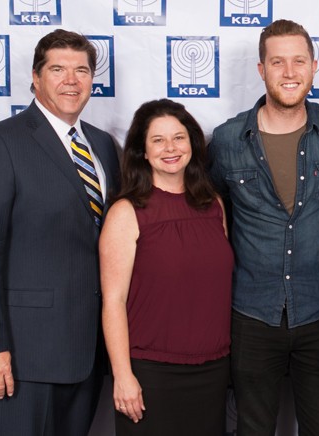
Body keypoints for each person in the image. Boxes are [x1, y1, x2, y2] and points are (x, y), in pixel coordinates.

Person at [207, 19, 319, 435]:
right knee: (253, 428)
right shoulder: (226, 140)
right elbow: (207, 214)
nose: (289, 72)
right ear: (261, 69)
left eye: (298, 61)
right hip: (252, 313)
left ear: (314, 66)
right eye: (278, 62)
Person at [0, 29, 120, 435]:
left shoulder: (103, 147)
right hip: (23, 353)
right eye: (58, 69)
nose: (72, 79)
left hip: (88, 347)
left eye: (82, 70)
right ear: (35, 78)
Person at [99, 99, 233, 435]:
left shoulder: (213, 205)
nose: (170, 148)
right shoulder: (126, 212)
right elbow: (113, 301)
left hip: (213, 371)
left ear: (192, 143)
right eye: (158, 140)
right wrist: (123, 375)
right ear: (142, 151)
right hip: (150, 374)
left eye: (179, 137)